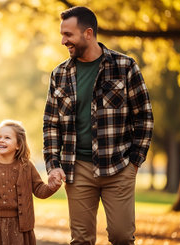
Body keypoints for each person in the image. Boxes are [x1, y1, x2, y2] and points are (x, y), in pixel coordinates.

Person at [43, 6, 154, 245]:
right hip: (77, 168)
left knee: (122, 236)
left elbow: (144, 117)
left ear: (88, 33)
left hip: (118, 166)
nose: (63, 40)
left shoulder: (124, 67)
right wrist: (53, 164)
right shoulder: (59, 74)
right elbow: (51, 124)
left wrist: (134, 161)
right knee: (81, 240)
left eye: (68, 35)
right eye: (62, 34)